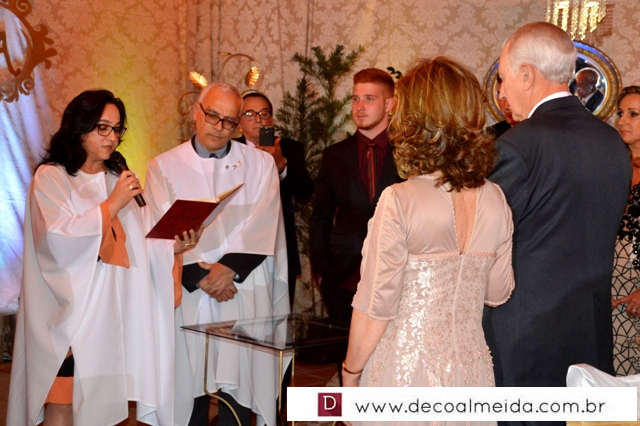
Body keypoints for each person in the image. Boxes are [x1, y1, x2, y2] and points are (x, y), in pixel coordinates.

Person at [7, 89, 194, 425]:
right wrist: (112, 204)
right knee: (62, 403)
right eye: (102, 128)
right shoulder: (52, 177)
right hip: (67, 316)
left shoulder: (117, 180)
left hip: (111, 315)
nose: (112, 138)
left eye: (117, 129)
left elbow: (139, 243)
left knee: (104, 404)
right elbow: (56, 240)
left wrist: (173, 248)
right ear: (78, 128)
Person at [342, 57, 514, 417]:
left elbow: (376, 307)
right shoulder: (496, 198)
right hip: (471, 374)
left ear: (414, 119)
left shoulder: (400, 199)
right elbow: (497, 293)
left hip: (404, 371)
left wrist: (350, 372)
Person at [482, 22, 631, 394]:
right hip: (590, 335)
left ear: (527, 75)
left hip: (524, 341)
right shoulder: (612, 142)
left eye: (503, 78)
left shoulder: (517, 146)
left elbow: (483, 244)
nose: (502, 92)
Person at [145, 82, 289, 426]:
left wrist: (229, 269)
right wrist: (202, 276)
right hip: (190, 288)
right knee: (188, 381)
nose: (219, 127)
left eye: (229, 121)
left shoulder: (260, 164)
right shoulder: (163, 166)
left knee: (239, 380)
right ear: (197, 111)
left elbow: (266, 220)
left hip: (243, 285)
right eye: (212, 116)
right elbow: (157, 232)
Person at [310, 68, 403, 326]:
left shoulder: (408, 152)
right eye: (355, 99)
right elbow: (320, 217)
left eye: (369, 99)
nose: (359, 107)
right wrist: (320, 272)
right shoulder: (334, 156)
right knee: (346, 347)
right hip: (342, 275)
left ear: (389, 104)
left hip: (397, 273)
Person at [234, 91, 314, 308]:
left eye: (264, 113)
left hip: (280, 244)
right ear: (239, 122)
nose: (258, 119)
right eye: (250, 114)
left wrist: (281, 164)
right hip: (240, 246)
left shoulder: (289, 148)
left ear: (272, 119)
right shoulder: (230, 150)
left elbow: (306, 191)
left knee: (280, 314)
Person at [611, 86, 640, 376]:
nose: (622, 121)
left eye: (633, 114)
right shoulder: (610, 164)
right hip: (608, 280)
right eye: (621, 113)